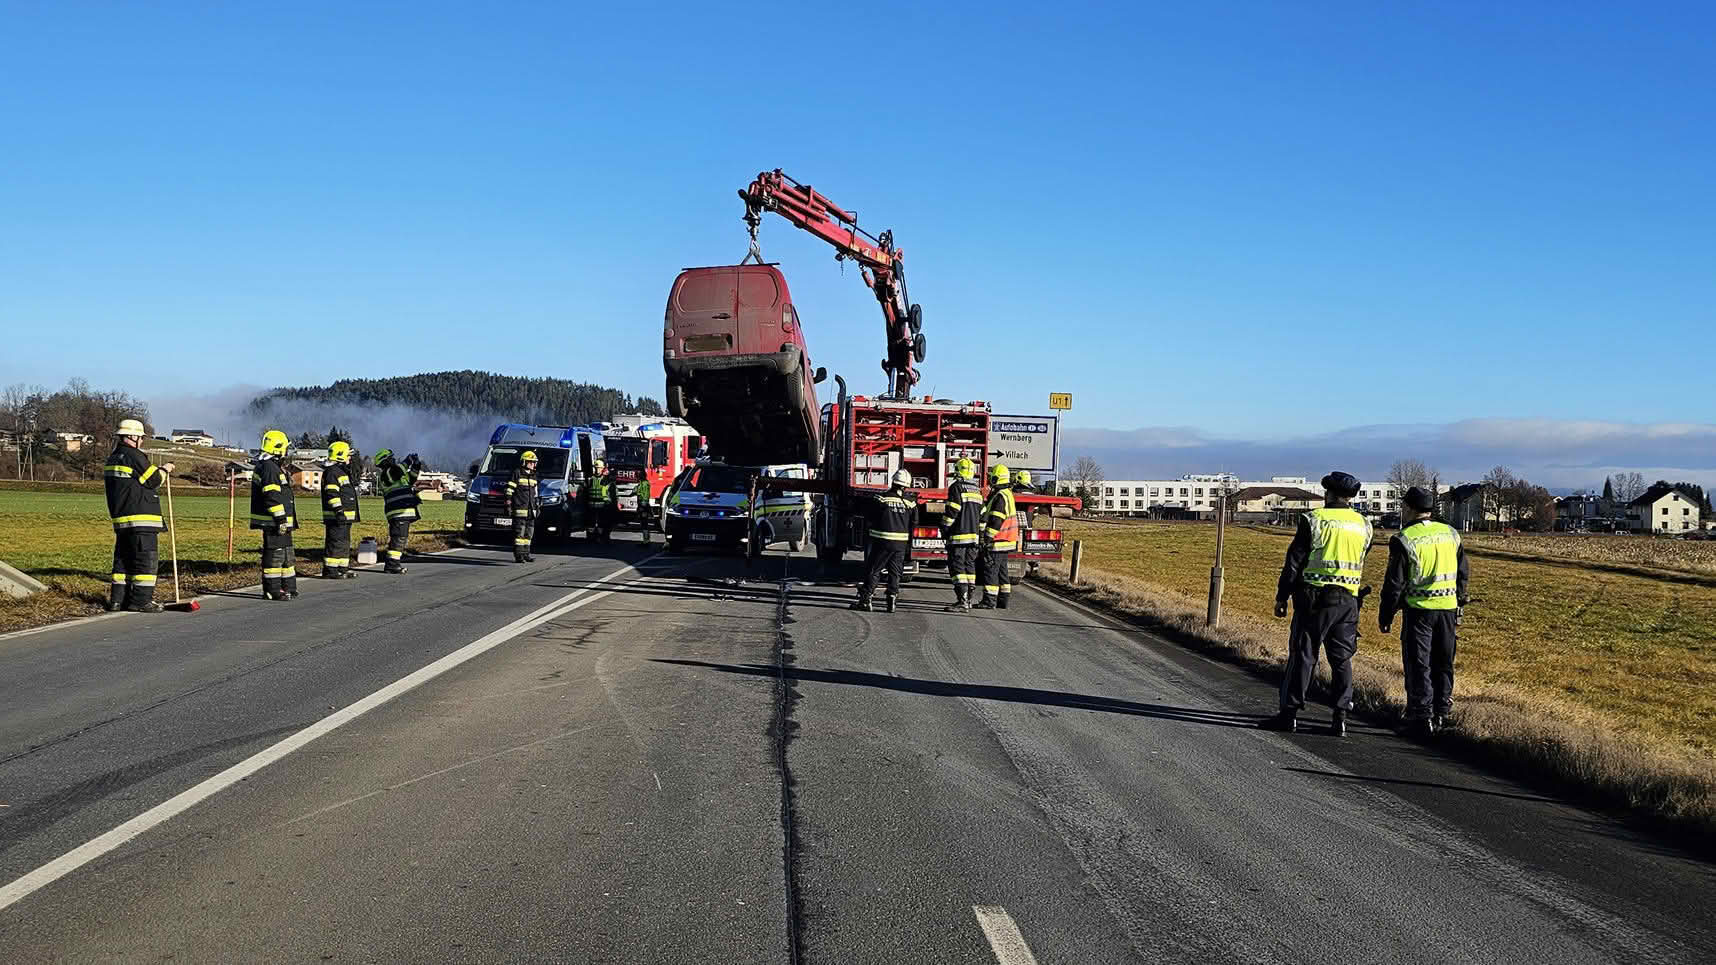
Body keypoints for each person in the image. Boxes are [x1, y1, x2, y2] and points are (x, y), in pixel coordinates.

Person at [1261, 471, 1374, 736]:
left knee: (1304, 655)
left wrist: (1282, 596)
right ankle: (1340, 717)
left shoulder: (1314, 520)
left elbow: (1294, 561)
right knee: (1342, 659)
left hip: (1314, 598)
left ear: (1329, 494)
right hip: (1348, 600)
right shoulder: (1364, 524)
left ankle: (1289, 714)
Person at [1380, 486, 1470, 737]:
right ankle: (1442, 712)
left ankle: (1421, 717)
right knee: (1443, 662)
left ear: (1409, 508)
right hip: (1448, 609)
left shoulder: (1404, 539)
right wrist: (1460, 601)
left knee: (1419, 664)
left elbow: (1394, 584)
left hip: (1419, 611)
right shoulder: (1451, 533)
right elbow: (1462, 573)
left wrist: (1386, 614)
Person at [102, 419, 174, 612]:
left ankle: (118, 600)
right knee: (145, 560)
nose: (142, 441)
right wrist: (165, 469)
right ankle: (141, 601)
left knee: (123, 560)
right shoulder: (134, 456)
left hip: (121, 519)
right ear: (132, 436)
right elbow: (153, 480)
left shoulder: (113, 458)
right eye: (141, 437)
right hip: (142, 519)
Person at [852, 469, 915, 612]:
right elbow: (914, 523)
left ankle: (866, 600)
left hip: (882, 542)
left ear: (893, 482)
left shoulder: (881, 499)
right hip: (900, 544)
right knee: (895, 572)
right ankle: (891, 601)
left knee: (874, 570)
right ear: (907, 485)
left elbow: (870, 518)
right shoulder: (911, 503)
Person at [251, 429, 298, 601]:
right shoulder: (269, 468)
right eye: (285, 447)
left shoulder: (272, 466)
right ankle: (273, 590)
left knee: (286, 555)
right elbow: (272, 496)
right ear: (277, 448)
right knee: (275, 556)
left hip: (280, 522)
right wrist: (280, 519)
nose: (286, 451)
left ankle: (288, 587)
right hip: (274, 522)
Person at [974, 464, 1019, 610]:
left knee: (991, 571)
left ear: (996, 478)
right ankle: (1003, 600)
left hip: (998, 541)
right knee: (1002, 572)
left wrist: (986, 538)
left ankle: (989, 601)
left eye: (992, 477)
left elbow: (996, 521)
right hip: (1007, 541)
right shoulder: (1007, 494)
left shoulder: (1000, 497)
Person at [941, 457, 983, 611]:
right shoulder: (977, 490)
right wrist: (981, 535)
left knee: (957, 568)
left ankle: (962, 601)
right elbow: (983, 515)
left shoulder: (956, 487)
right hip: (973, 538)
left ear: (958, 471)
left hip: (958, 537)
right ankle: (969, 599)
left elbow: (952, 511)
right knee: (969, 567)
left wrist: (944, 527)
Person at [374, 449, 422, 574]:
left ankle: (393, 563)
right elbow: (398, 471)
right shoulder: (387, 474)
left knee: (401, 538)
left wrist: (416, 465)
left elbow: (411, 478)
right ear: (385, 461)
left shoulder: (397, 474)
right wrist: (408, 461)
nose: (394, 459)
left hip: (403, 512)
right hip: (397, 512)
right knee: (399, 538)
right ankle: (392, 564)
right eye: (391, 458)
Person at [320, 440, 359, 579]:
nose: (350, 458)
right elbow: (332, 493)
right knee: (335, 542)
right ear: (341, 456)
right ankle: (331, 570)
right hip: (337, 516)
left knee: (344, 542)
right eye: (348, 455)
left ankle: (342, 568)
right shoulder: (332, 472)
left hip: (344, 517)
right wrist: (339, 511)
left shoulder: (341, 472)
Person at [506, 450, 540, 563]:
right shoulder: (517, 473)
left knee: (529, 534)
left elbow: (535, 494)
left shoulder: (534, 476)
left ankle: (526, 554)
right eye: (531, 462)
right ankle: (519, 556)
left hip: (531, 511)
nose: (533, 464)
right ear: (524, 462)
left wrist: (537, 506)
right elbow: (509, 490)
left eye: (534, 462)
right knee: (519, 534)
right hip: (520, 510)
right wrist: (508, 505)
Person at [585, 459, 615, 543]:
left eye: (599, 468)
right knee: (591, 523)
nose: (597, 469)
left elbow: (610, 492)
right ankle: (590, 537)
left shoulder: (606, 479)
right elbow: (585, 491)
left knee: (602, 523)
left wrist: (610, 503)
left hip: (602, 505)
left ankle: (601, 537)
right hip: (591, 504)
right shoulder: (590, 479)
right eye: (596, 468)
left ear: (602, 469)